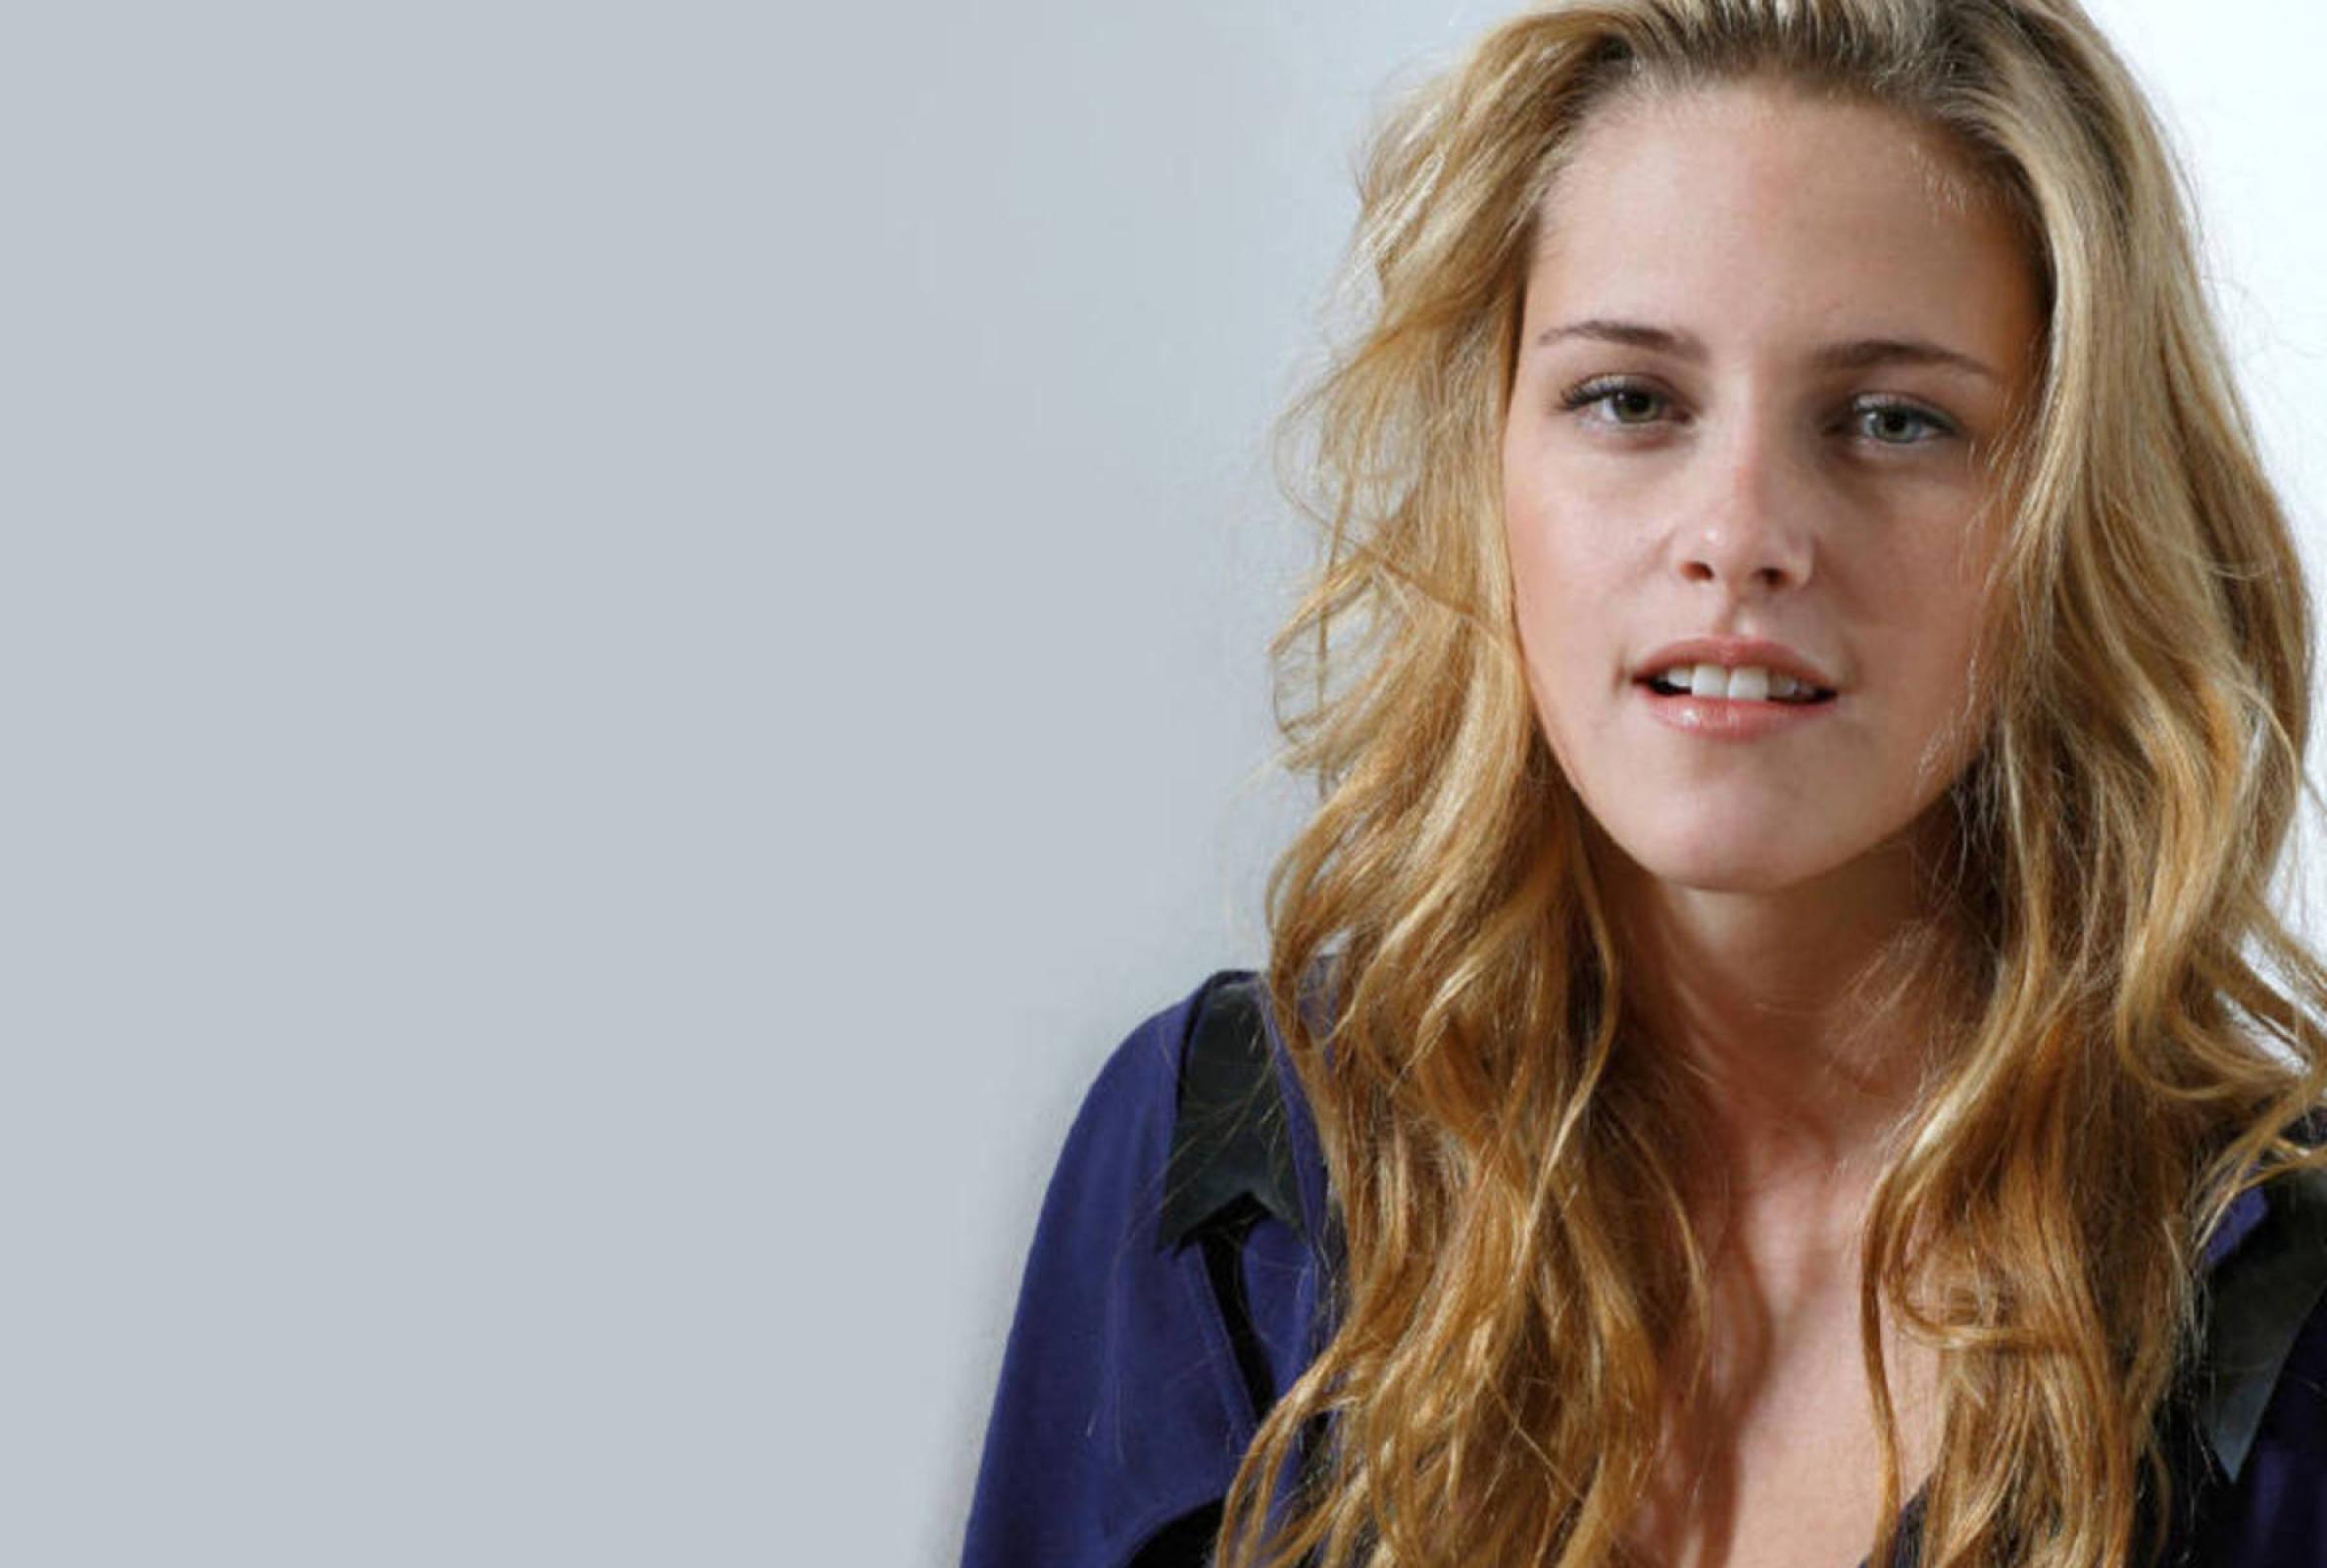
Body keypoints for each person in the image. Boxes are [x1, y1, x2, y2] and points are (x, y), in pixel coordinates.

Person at [962, 1, 2327, 1564]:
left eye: (1894, 420)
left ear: (2076, 512)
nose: (1739, 534)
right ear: (1490, 456)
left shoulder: (2283, 1310)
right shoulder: (1221, 1176)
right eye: (1630, 399)